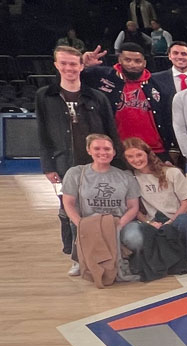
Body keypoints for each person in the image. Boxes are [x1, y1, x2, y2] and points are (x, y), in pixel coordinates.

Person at [37, 46, 120, 259]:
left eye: (73, 64)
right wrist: (48, 165)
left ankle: (98, 252)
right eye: (63, 63)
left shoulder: (97, 97)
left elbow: (111, 131)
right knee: (67, 211)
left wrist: (117, 165)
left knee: (96, 209)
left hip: (95, 165)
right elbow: (42, 133)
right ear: (56, 65)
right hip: (63, 163)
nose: (68, 68)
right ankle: (73, 254)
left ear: (81, 66)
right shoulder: (44, 96)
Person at [61, 134, 142, 279]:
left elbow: (133, 207)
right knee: (77, 226)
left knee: (136, 237)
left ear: (114, 152)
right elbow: (68, 203)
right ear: (88, 150)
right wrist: (81, 224)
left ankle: (123, 258)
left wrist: (117, 226)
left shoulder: (126, 176)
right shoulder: (75, 173)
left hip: (118, 222)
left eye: (107, 149)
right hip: (90, 222)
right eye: (97, 148)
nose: (102, 152)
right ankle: (81, 259)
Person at [82, 42, 173, 165]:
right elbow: (67, 81)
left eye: (137, 61)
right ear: (120, 59)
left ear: (144, 63)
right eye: (127, 60)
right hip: (118, 151)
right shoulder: (101, 77)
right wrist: (82, 65)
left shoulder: (156, 84)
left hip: (155, 151)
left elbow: (167, 118)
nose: (132, 65)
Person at [121, 137, 187, 269]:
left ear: (148, 153)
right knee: (134, 233)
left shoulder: (172, 172)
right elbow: (134, 208)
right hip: (152, 221)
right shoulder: (130, 177)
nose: (136, 160)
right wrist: (149, 223)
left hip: (176, 218)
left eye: (139, 155)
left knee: (186, 221)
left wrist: (171, 221)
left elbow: (185, 203)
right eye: (130, 156)